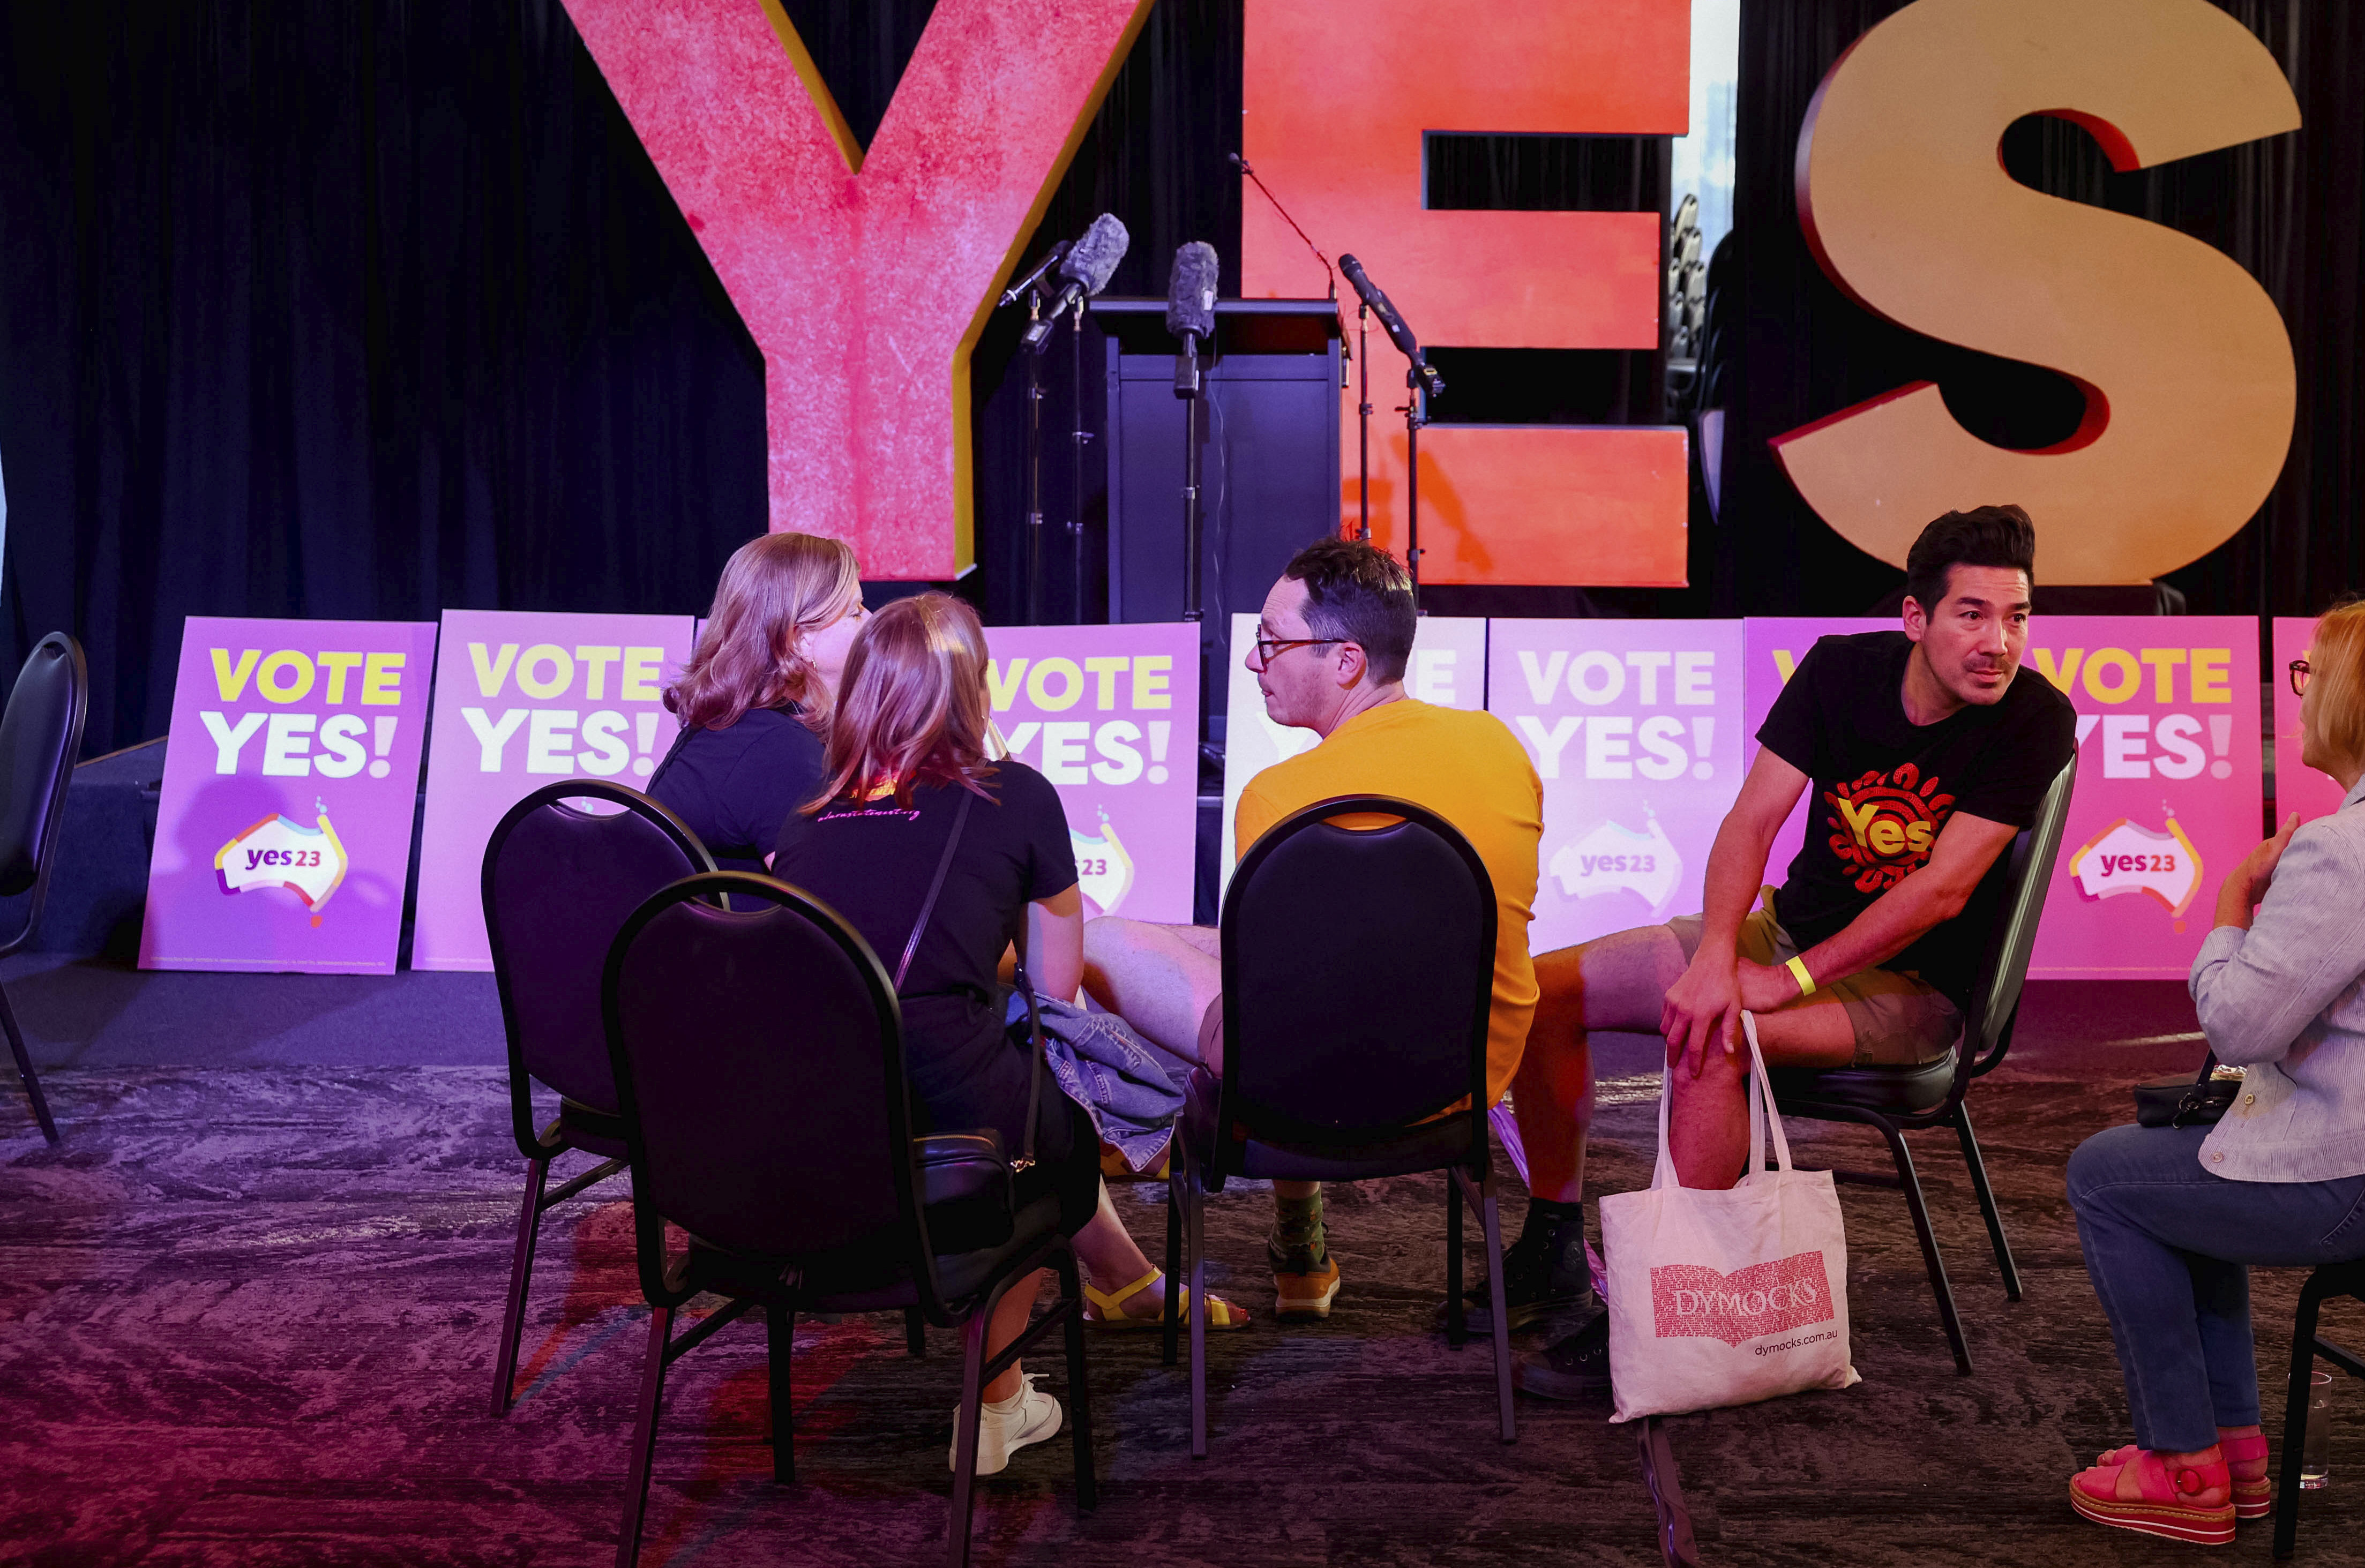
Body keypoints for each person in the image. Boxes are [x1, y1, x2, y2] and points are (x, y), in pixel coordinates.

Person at [1502, 505, 2076, 1397]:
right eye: (1972, 615)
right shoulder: (1839, 670)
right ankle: (1553, 1241)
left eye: (2016, 618)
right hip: (1790, 931)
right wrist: (1715, 954)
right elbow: (1751, 820)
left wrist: (1787, 979)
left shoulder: (2034, 717)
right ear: (1916, 618)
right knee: (1542, 992)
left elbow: (1939, 891)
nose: (1997, 643)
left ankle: (1661, 1321)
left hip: (1916, 989)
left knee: (1715, 1035)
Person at [2059, 597, 2365, 1547]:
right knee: (2196, 1165)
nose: (2297, 692)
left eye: (2308, 673)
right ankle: (2233, 1450)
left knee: (2108, 1177)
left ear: (2355, 698)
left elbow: (2236, 1025)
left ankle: (2181, 1468)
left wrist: (2231, 902)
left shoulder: (2348, 845)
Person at [768, 593, 1243, 1480]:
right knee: (1056, 1136)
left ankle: (1110, 1291)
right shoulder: (1016, 794)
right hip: (961, 1124)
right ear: (971, 691)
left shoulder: (800, 823)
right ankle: (995, 1401)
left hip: (817, 1137)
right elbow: (1055, 991)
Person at [1080, 536, 1545, 1321]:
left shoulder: (1280, 796)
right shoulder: (1499, 747)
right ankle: (1299, 1247)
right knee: (1252, 956)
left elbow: (1287, 994)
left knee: (1098, 941)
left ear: (1347, 662)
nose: (1253, 661)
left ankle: (1213, 1199)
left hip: (1313, 1090)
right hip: (1464, 1082)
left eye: (1271, 642)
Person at [645, 532, 867, 872]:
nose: (872, 621)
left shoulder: (738, 726)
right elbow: (827, 894)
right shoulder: (778, 751)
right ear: (800, 640)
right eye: (855, 613)